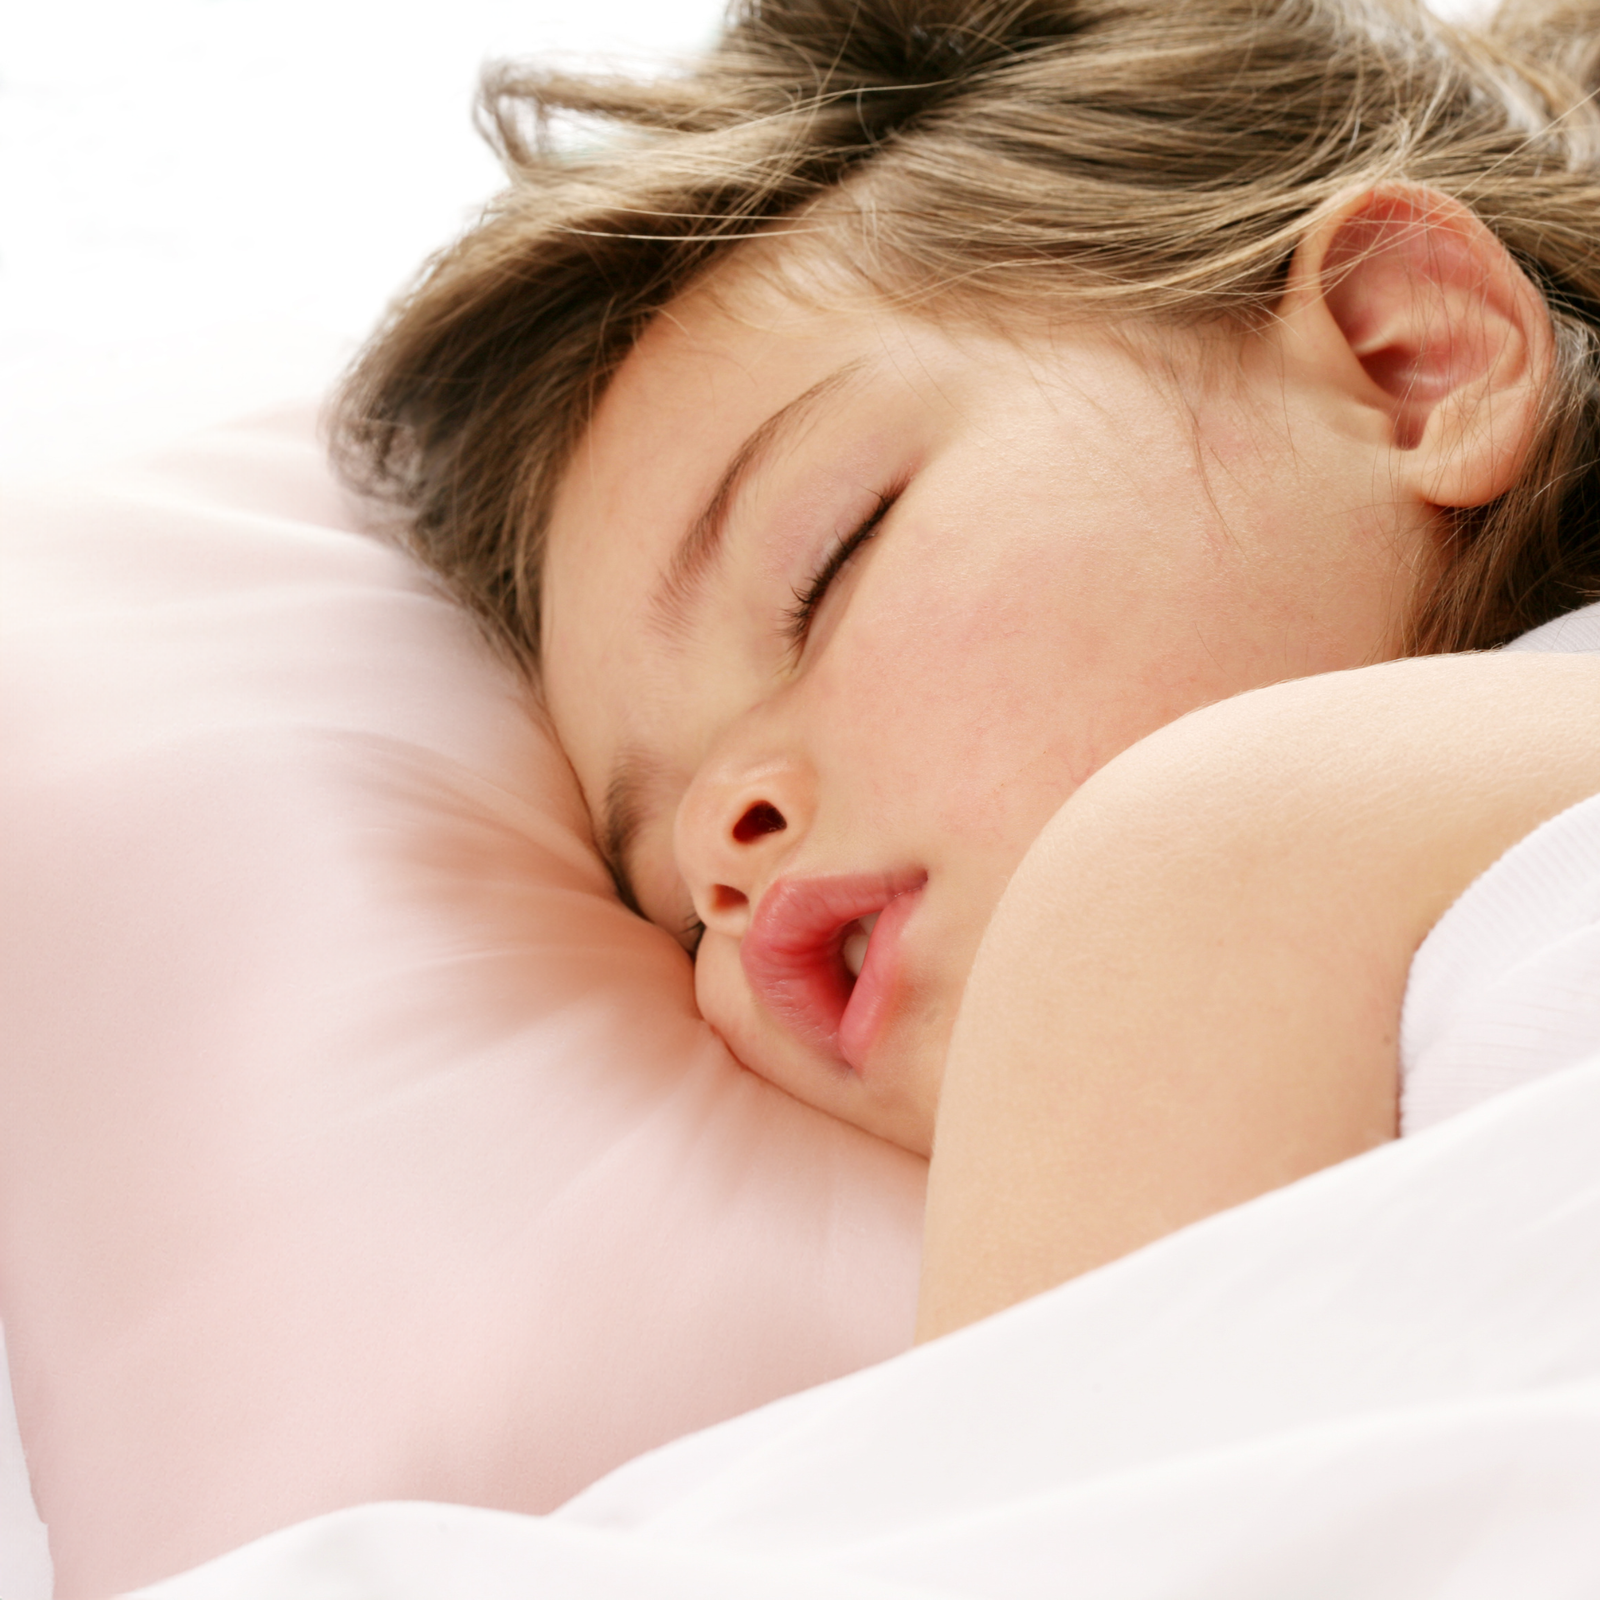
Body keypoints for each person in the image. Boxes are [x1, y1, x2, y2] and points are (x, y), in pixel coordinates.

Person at [333, 0, 1600, 1341]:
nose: (721, 846)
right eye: (674, 911)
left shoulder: (1208, 857)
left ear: (1411, 355)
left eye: (823, 565)